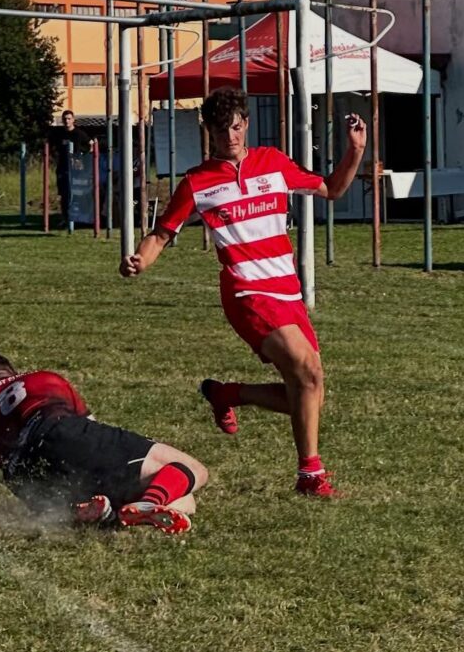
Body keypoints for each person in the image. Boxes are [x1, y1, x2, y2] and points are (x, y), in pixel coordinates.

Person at [119, 87, 367, 499]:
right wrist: (141, 260)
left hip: (287, 291)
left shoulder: (274, 163)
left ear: (246, 124)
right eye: (220, 130)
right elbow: (161, 235)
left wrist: (355, 151)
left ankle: (227, 393)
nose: (230, 137)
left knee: (310, 398)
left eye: (235, 127)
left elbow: (332, 190)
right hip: (246, 292)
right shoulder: (197, 183)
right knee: (307, 373)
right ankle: (310, 475)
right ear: (209, 132)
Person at [0, 351, 207, 535]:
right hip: (60, 433)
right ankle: (145, 503)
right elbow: (91, 426)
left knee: (186, 499)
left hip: (26, 481)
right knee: (191, 469)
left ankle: (110, 513)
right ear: (11, 372)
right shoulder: (42, 378)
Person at [52, 110, 92, 225]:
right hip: (62, 167)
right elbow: (53, 147)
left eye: (69, 118)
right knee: (64, 194)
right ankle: (65, 218)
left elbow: (92, 145)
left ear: (73, 120)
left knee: (77, 193)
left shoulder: (79, 134)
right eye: (65, 119)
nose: (67, 121)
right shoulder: (60, 134)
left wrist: (83, 158)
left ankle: (79, 217)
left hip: (76, 168)